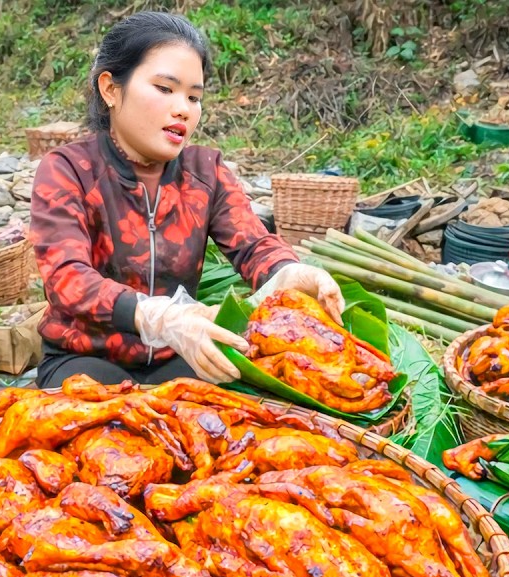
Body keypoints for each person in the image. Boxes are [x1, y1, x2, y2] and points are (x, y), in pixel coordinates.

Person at [29, 11, 343, 389]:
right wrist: (158, 317)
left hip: (181, 353)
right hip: (85, 357)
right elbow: (67, 278)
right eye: (165, 89)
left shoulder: (205, 173)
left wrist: (289, 272)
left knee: (228, 411)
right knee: (102, 411)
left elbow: (254, 246)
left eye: (194, 97)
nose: (183, 108)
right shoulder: (70, 170)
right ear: (110, 89)